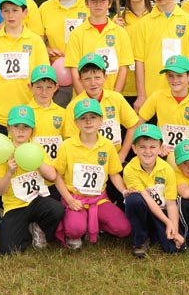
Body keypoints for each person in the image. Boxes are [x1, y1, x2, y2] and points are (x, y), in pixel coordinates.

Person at [53, 98, 132, 250]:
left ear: (101, 120)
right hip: (76, 198)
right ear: (76, 122)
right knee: (75, 230)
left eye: (93, 117)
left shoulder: (107, 145)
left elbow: (114, 174)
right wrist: (69, 200)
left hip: (99, 199)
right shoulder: (67, 146)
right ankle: (77, 223)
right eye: (83, 118)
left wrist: (125, 191)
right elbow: (58, 176)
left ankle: (92, 222)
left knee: (124, 229)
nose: (88, 122)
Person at [0, 105, 65, 254]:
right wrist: (8, 172)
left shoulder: (36, 148)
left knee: (57, 209)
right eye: (16, 126)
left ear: (32, 129)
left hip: (36, 200)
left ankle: (39, 227)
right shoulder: (3, 152)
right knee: (8, 251)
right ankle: (21, 226)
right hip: (15, 205)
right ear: (9, 128)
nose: (21, 130)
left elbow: (52, 176)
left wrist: (37, 162)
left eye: (26, 126)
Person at [133, 0, 189, 112]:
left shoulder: (188, 21)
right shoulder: (143, 23)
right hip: (152, 97)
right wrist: (141, 95)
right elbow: (139, 62)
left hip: (181, 96)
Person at [0, 0, 50, 135]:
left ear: (24, 12)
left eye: (15, 10)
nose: (10, 15)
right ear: (1, 14)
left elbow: (44, 80)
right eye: (6, 11)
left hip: (28, 114)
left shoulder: (35, 41)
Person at [122, 55, 189, 163]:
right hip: (161, 157)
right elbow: (137, 124)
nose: (175, 80)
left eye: (179, 76)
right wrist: (152, 147)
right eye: (170, 76)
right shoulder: (157, 96)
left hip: (187, 157)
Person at [123, 123, 184, 257]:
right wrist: (168, 222)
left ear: (161, 148)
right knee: (133, 199)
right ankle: (140, 239)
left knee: (174, 248)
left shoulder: (167, 169)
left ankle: (156, 234)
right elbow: (146, 197)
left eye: (152, 147)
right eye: (142, 147)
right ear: (134, 148)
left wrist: (174, 229)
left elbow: (171, 203)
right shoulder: (129, 169)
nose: (148, 151)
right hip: (144, 210)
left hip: (161, 211)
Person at [64, 53, 139, 160]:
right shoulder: (73, 106)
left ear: (105, 77)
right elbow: (69, 139)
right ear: (79, 81)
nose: (93, 83)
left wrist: (122, 154)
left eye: (97, 77)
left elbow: (133, 125)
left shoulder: (116, 98)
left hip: (114, 159)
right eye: (87, 79)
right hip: (88, 161)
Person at [65, 0, 134, 94]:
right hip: (85, 102)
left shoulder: (120, 33)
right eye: (93, 0)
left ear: (109, 3)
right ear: (87, 3)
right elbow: (74, 70)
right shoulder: (76, 34)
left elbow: (123, 68)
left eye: (102, 0)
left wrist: (115, 97)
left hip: (111, 97)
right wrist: (85, 99)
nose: (98, 4)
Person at [39, 0, 89, 107]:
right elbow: (37, 41)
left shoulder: (89, 6)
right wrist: (46, 49)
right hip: (57, 79)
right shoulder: (45, 8)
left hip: (84, 76)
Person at [115, 0, 152, 107]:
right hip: (126, 86)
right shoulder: (118, 19)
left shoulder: (155, 16)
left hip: (149, 86)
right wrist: (113, 29)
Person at [27, 65, 66, 163]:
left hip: (57, 166)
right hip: (32, 165)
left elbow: (68, 142)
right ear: (30, 87)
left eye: (49, 87)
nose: (44, 92)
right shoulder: (25, 113)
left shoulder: (63, 113)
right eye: (39, 87)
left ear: (56, 87)